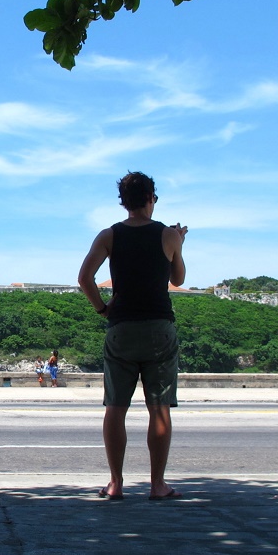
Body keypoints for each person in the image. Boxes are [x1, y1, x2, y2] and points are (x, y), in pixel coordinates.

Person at [78, 171, 188, 501]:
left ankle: (115, 482)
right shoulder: (167, 234)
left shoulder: (109, 235)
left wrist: (102, 309)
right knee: (159, 408)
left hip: (121, 328)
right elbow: (179, 279)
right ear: (151, 198)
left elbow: (85, 278)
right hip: (158, 328)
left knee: (115, 407)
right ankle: (158, 484)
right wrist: (178, 244)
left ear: (123, 202)